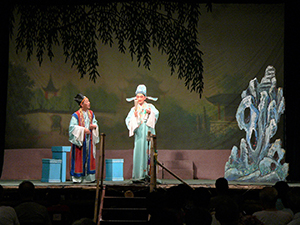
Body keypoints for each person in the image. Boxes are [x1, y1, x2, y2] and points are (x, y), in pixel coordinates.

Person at [125, 84, 159, 182]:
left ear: (145, 97)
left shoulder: (150, 107)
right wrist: (134, 117)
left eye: (141, 96)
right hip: (139, 134)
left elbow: (156, 115)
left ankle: (149, 175)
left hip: (148, 132)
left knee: (149, 152)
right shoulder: (133, 109)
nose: (139, 98)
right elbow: (128, 121)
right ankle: (138, 175)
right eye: (138, 96)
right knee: (139, 153)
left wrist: (150, 113)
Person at [69, 93, 99, 183]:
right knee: (79, 158)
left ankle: (89, 177)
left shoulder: (91, 114)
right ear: (82, 104)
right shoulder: (76, 115)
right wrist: (83, 130)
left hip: (89, 140)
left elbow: (95, 123)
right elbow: (72, 128)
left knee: (89, 158)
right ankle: (77, 178)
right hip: (81, 141)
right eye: (87, 101)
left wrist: (94, 126)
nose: (89, 103)